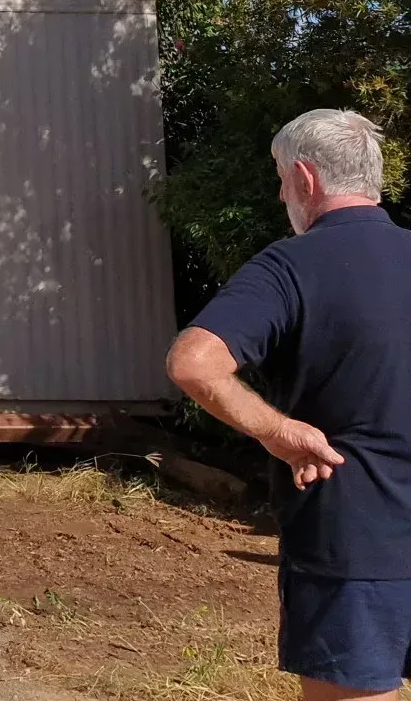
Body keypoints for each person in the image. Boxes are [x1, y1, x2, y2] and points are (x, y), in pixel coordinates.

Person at [167, 109, 411, 701]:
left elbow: (194, 363)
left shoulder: (289, 267)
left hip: (352, 540)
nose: (281, 195)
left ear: (305, 178)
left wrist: (274, 431)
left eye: (279, 179)